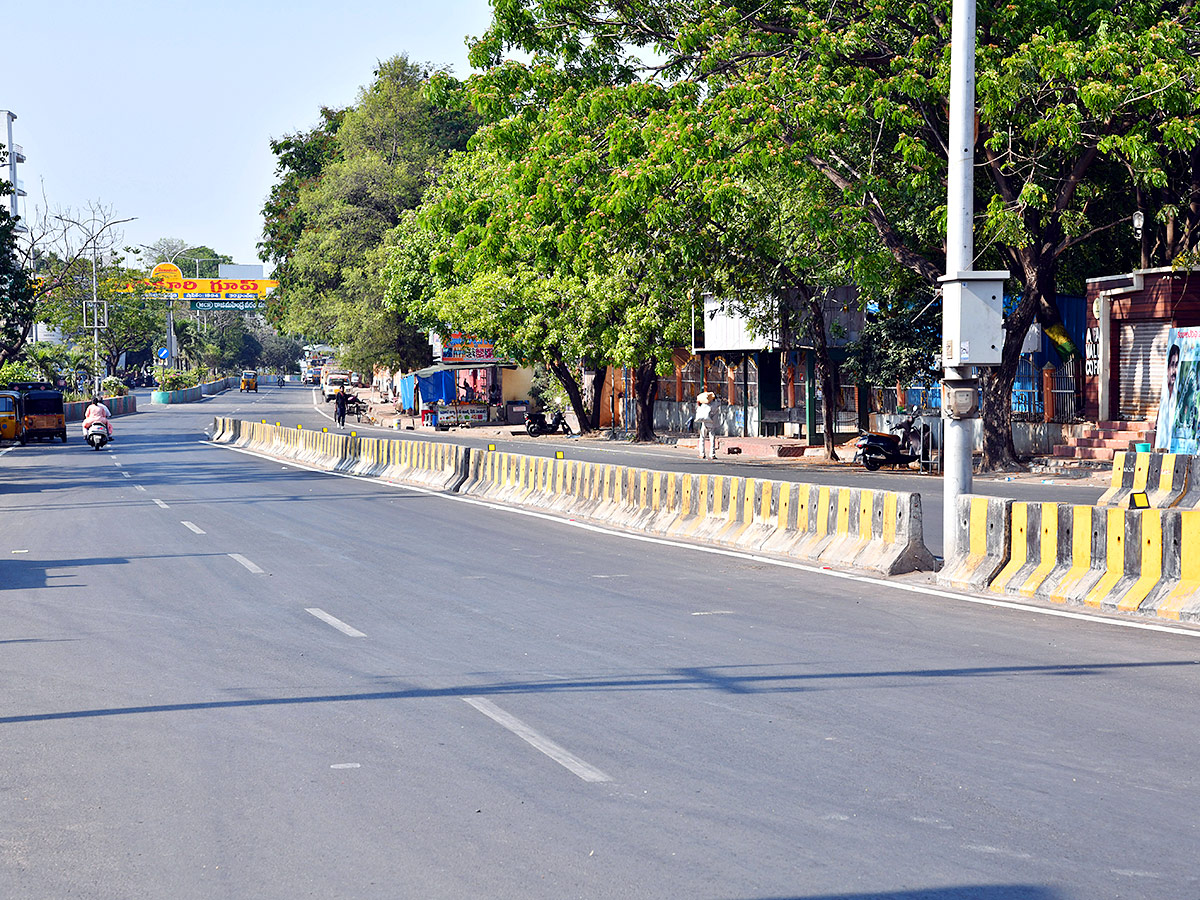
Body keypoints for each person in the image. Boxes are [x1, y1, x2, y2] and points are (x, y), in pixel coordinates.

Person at [1156, 343, 1181, 450]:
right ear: (1167, 368)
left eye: (1177, 365)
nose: (1174, 371)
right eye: (1172, 364)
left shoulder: (1180, 395)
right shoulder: (1164, 397)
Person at [695, 390, 718, 459]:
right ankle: (712, 454)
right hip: (712, 423)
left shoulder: (704, 405)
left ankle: (702, 454)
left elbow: (699, 408)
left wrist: (699, 402)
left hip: (705, 423)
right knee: (712, 438)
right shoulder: (716, 404)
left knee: (702, 438)